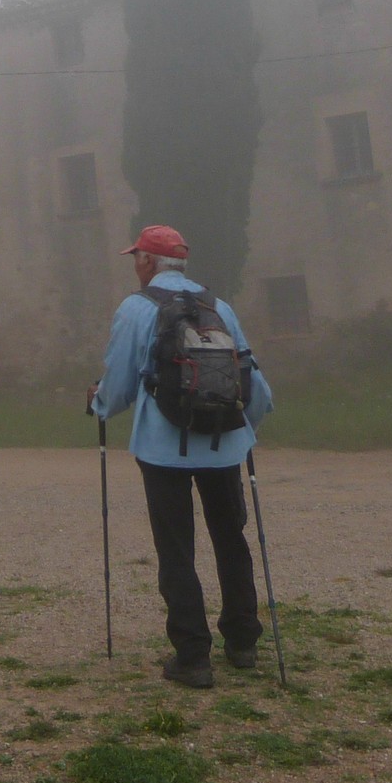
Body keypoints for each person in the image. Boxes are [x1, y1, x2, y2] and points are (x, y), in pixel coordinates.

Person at [89, 224, 275, 688]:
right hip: (224, 442)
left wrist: (99, 404)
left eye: (137, 258)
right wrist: (245, 430)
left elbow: (119, 383)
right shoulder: (219, 307)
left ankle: (192, 657)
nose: (135, 266)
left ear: (149, 262)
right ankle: (243, 642)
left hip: (162, 448)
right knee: (231, 539)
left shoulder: (136, 308)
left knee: (176, 549)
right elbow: (252, 379)